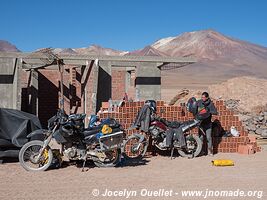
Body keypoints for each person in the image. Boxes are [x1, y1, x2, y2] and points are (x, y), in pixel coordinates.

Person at [196, 92, 218, 156]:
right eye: (202, 97)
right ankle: (200, 151)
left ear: (207, 97)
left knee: (208, 138)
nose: (202, 98)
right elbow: (194, 109)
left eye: (204, 97)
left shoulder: (210, 104)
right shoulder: (199, 102)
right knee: (201, 138)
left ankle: (210, 151)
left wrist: (208, 110)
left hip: (208, 124)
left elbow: (215, 112)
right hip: (200, 123)